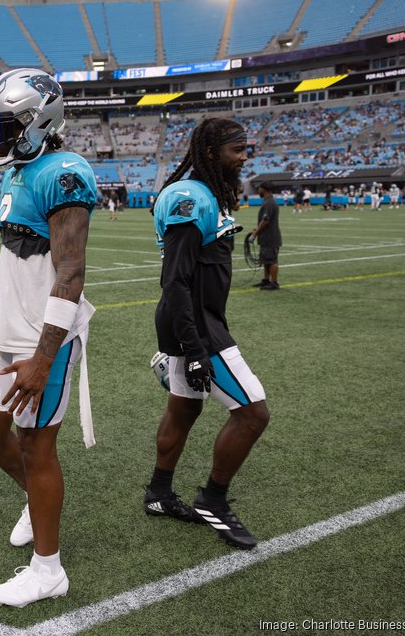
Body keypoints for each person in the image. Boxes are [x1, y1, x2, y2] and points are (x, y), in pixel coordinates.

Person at [0, 68, 97, 608]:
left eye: (2, 129)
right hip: (7, 332)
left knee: (37, 445)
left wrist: (44, 358)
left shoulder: (64, 172)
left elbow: (69, 275)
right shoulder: (20, 171)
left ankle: (48, 570)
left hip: (43, 338)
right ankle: (34, 499)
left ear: (36, 122)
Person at [144, 116, 270, 551]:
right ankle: (213, 500)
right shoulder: (188, 196)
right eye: (236, 150)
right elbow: (175, 281)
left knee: (184, 409)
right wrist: (196, 349)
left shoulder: (207, 194)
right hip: (195, 324)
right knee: (253, 413)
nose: (243, 158)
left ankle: (159, 494)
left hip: (193, 320)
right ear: (212, 153)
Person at [251, 182, 281, 290]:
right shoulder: (268, 201)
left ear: (263, 189)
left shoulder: (269, 203)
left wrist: (255, 234)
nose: (258, 190)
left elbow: (265, 220)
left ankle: (274, 282)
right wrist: (258, 230)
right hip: (266, 236)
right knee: (266, 259)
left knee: (272, 260)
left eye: (259, 188)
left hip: (270, 237)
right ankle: (266, 280)